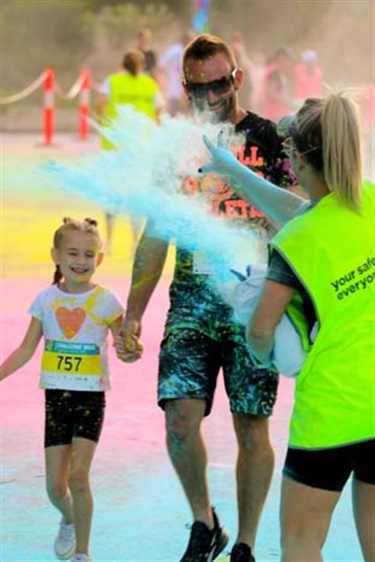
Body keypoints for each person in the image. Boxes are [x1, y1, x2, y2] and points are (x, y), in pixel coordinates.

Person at [114, 33, 295, 562]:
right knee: (178, 419)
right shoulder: (177, 148)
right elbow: (156, 232)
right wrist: (133, 312)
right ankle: (204, 523)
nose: (208, 97)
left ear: (236, 78)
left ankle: (245, 542)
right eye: (196, 88)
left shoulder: (269, 138)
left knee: (250, 424)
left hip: (252, 303)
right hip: (190, 301)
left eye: (217, 84)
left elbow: (298, 218)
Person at [200, 93, 375, 562]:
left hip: (330, 416)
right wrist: (234, 172)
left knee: (300, 546)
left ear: (296, 159)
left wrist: (261, 354)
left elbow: (260, 331)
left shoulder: (295, 241)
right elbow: (306, 214)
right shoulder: (371, 202)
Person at [0, 217, 125, 562]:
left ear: (99, 259)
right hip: (55, 400)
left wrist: (131, 347)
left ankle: (82, 554)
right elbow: (26, 349)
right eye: (73, 252)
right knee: (56, 487)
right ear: (56, 255)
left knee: (79, 476)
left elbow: (124, 345)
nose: (81, 261)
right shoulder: (45, 300)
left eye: (89, 254)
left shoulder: (106, 301)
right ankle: (68, 517)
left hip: (90, 399)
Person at [95, 50, 164, 255]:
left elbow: (100, 104)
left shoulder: (113, 81)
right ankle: (135, 242)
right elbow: (160, 108)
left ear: (123, 65)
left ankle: (108, 241)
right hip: (140, 148)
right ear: (142, 66)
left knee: (112, 193)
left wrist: (103, 122)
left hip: (114, 147)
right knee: (136, 194)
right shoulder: (149, 84)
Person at [262, 46, 296, 122]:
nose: (288, 63)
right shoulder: (274, 75)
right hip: (274, 117)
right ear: (280, 60)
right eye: (287, 60)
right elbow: (269, 93)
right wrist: (286, 101)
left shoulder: (282, 74)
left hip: (280, 115)